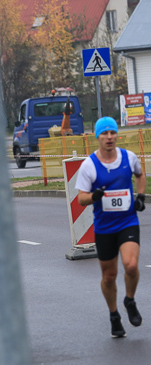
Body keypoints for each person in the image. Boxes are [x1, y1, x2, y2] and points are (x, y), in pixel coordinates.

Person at [75, 116, 146, 338]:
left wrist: (141, 196)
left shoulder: (128, 157)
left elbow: (140, 174)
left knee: (131, 265)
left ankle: (130, 300)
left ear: (117, 135)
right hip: (105, 226)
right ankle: (114, 315)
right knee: (109, 276)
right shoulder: (89, 165)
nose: (109, 137)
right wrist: (94, 196)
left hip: (127, 221)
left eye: (112, 133)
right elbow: (80, 199)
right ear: (97, 137)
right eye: (104, 133)